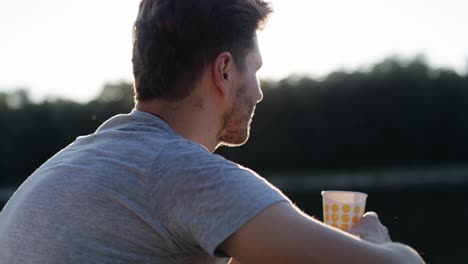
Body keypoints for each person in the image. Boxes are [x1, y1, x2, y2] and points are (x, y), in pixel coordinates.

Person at [0, 0, 424, 263]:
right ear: (224, 70)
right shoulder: (180, 170)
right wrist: (378, 246)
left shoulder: (69, 165)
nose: (258, 93)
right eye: (255, 70)